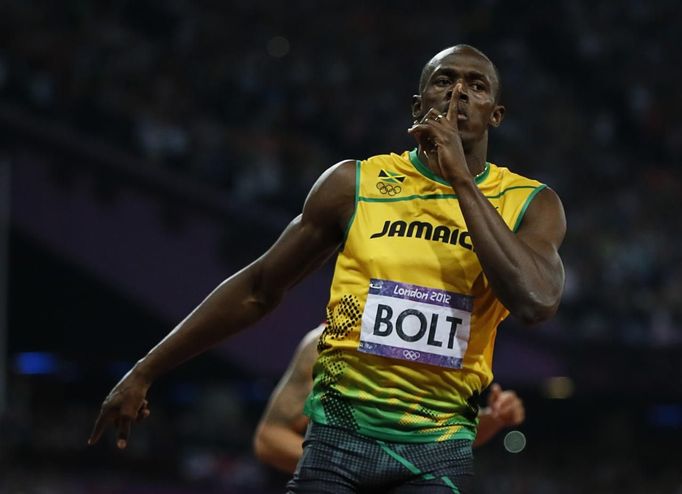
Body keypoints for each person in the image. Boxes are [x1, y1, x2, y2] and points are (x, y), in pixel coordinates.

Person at [89, 44, 565, 493]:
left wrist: (460, 178)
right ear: (417, 105)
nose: (459, 93)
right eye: (444, 81)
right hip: (336, 440)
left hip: (437, 449)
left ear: (495, 115)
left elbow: (536, 300)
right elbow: (258, 287)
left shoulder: (530, 204)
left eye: (477, 86)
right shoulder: (353, 184)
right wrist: (144, 371)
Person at [253, 324, 526, 474]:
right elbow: (270, 438)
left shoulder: (441, 350)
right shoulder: (331, 341)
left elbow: (443, 434)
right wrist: (360, 469)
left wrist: (494, 417)